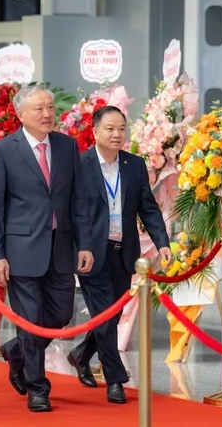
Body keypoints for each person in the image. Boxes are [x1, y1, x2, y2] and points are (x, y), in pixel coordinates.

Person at [0, 84, 93, 413]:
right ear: (20, 114)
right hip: (21, 250)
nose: (47, 114)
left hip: (61, 248)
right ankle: (38, 388)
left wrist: (84, 243)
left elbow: (78, 199)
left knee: (60, 316)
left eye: (49, 107)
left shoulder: (66, 145)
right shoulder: (4, 150)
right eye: (39, 109)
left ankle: (16, 351)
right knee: (30, 319)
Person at [67, 105, 172, 403]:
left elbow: (148, 209)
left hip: (123, 252)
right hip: (90, 253)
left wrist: (162, 242)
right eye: (110, 129)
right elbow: (72, 212)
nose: (116, 134)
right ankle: (115, 379)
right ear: (95, 131)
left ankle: (81, 353)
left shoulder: (134, 165)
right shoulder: (79, 164)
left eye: (121, 129)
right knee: (104, 315)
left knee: (109, 317)